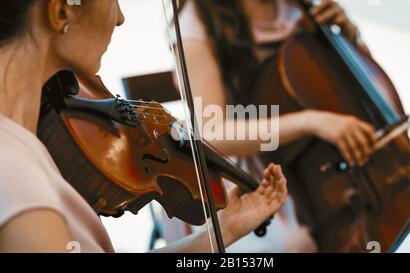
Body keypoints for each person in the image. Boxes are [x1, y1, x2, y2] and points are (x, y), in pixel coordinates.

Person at [0, 0, 288, 253]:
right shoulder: (19, 177)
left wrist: (222, 233)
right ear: (61, 11)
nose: (120, 18)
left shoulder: (23, 151)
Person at [174, 0, 378, 252]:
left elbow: (359, 84)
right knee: (295, 246)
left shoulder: (300, 5)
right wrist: (312, 122)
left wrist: (347, 35)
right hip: (252, 168)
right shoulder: (196, 24)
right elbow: (211, 132)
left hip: (322, 157)